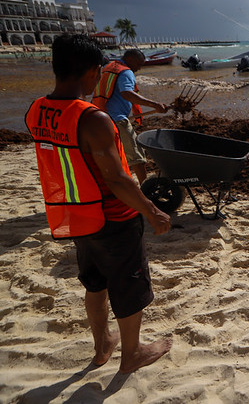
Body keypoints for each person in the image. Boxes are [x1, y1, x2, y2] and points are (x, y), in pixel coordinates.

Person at [25, 34, 172, 373]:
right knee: (129, 284)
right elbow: (118, 179)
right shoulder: (93, 119)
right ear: (93, 72)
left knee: (95, 281)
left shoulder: (37, 111)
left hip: (75, 213)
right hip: (113, 215)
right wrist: (151, 210)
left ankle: (103, 343)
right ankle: (132, 353)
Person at [92, 49, 167, 185]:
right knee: (136, 155)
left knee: (113, 155)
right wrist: (154, 104)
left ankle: (113, 184)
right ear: (131, 59)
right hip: (117, 120)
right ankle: (147, 189)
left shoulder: (107, 68)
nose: (139, 68)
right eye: (139, 64)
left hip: (100, 118)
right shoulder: (126, 72)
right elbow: (127, 93)